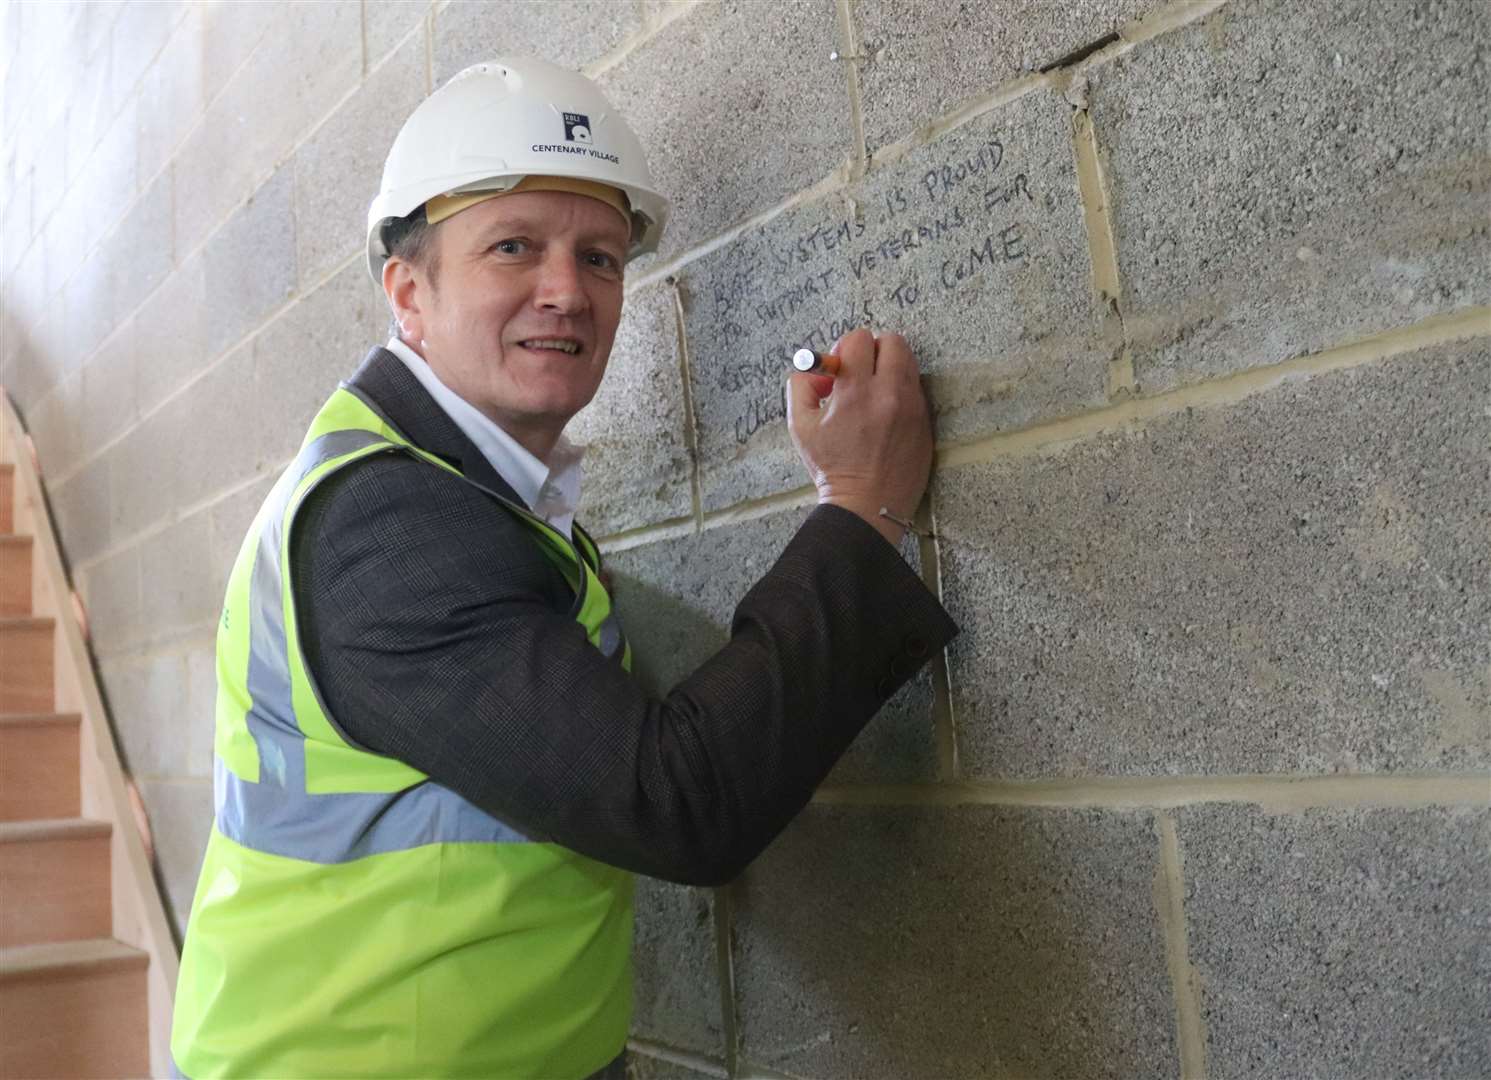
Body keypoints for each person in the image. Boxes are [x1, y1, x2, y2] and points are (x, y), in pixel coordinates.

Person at [170, 57, 956, 1079]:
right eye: (514, 247)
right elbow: (677, 801)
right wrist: (860, 509)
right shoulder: (387, 524)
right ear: (408, 291)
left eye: (600, 258)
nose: (567, 293)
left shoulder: (478, 496)